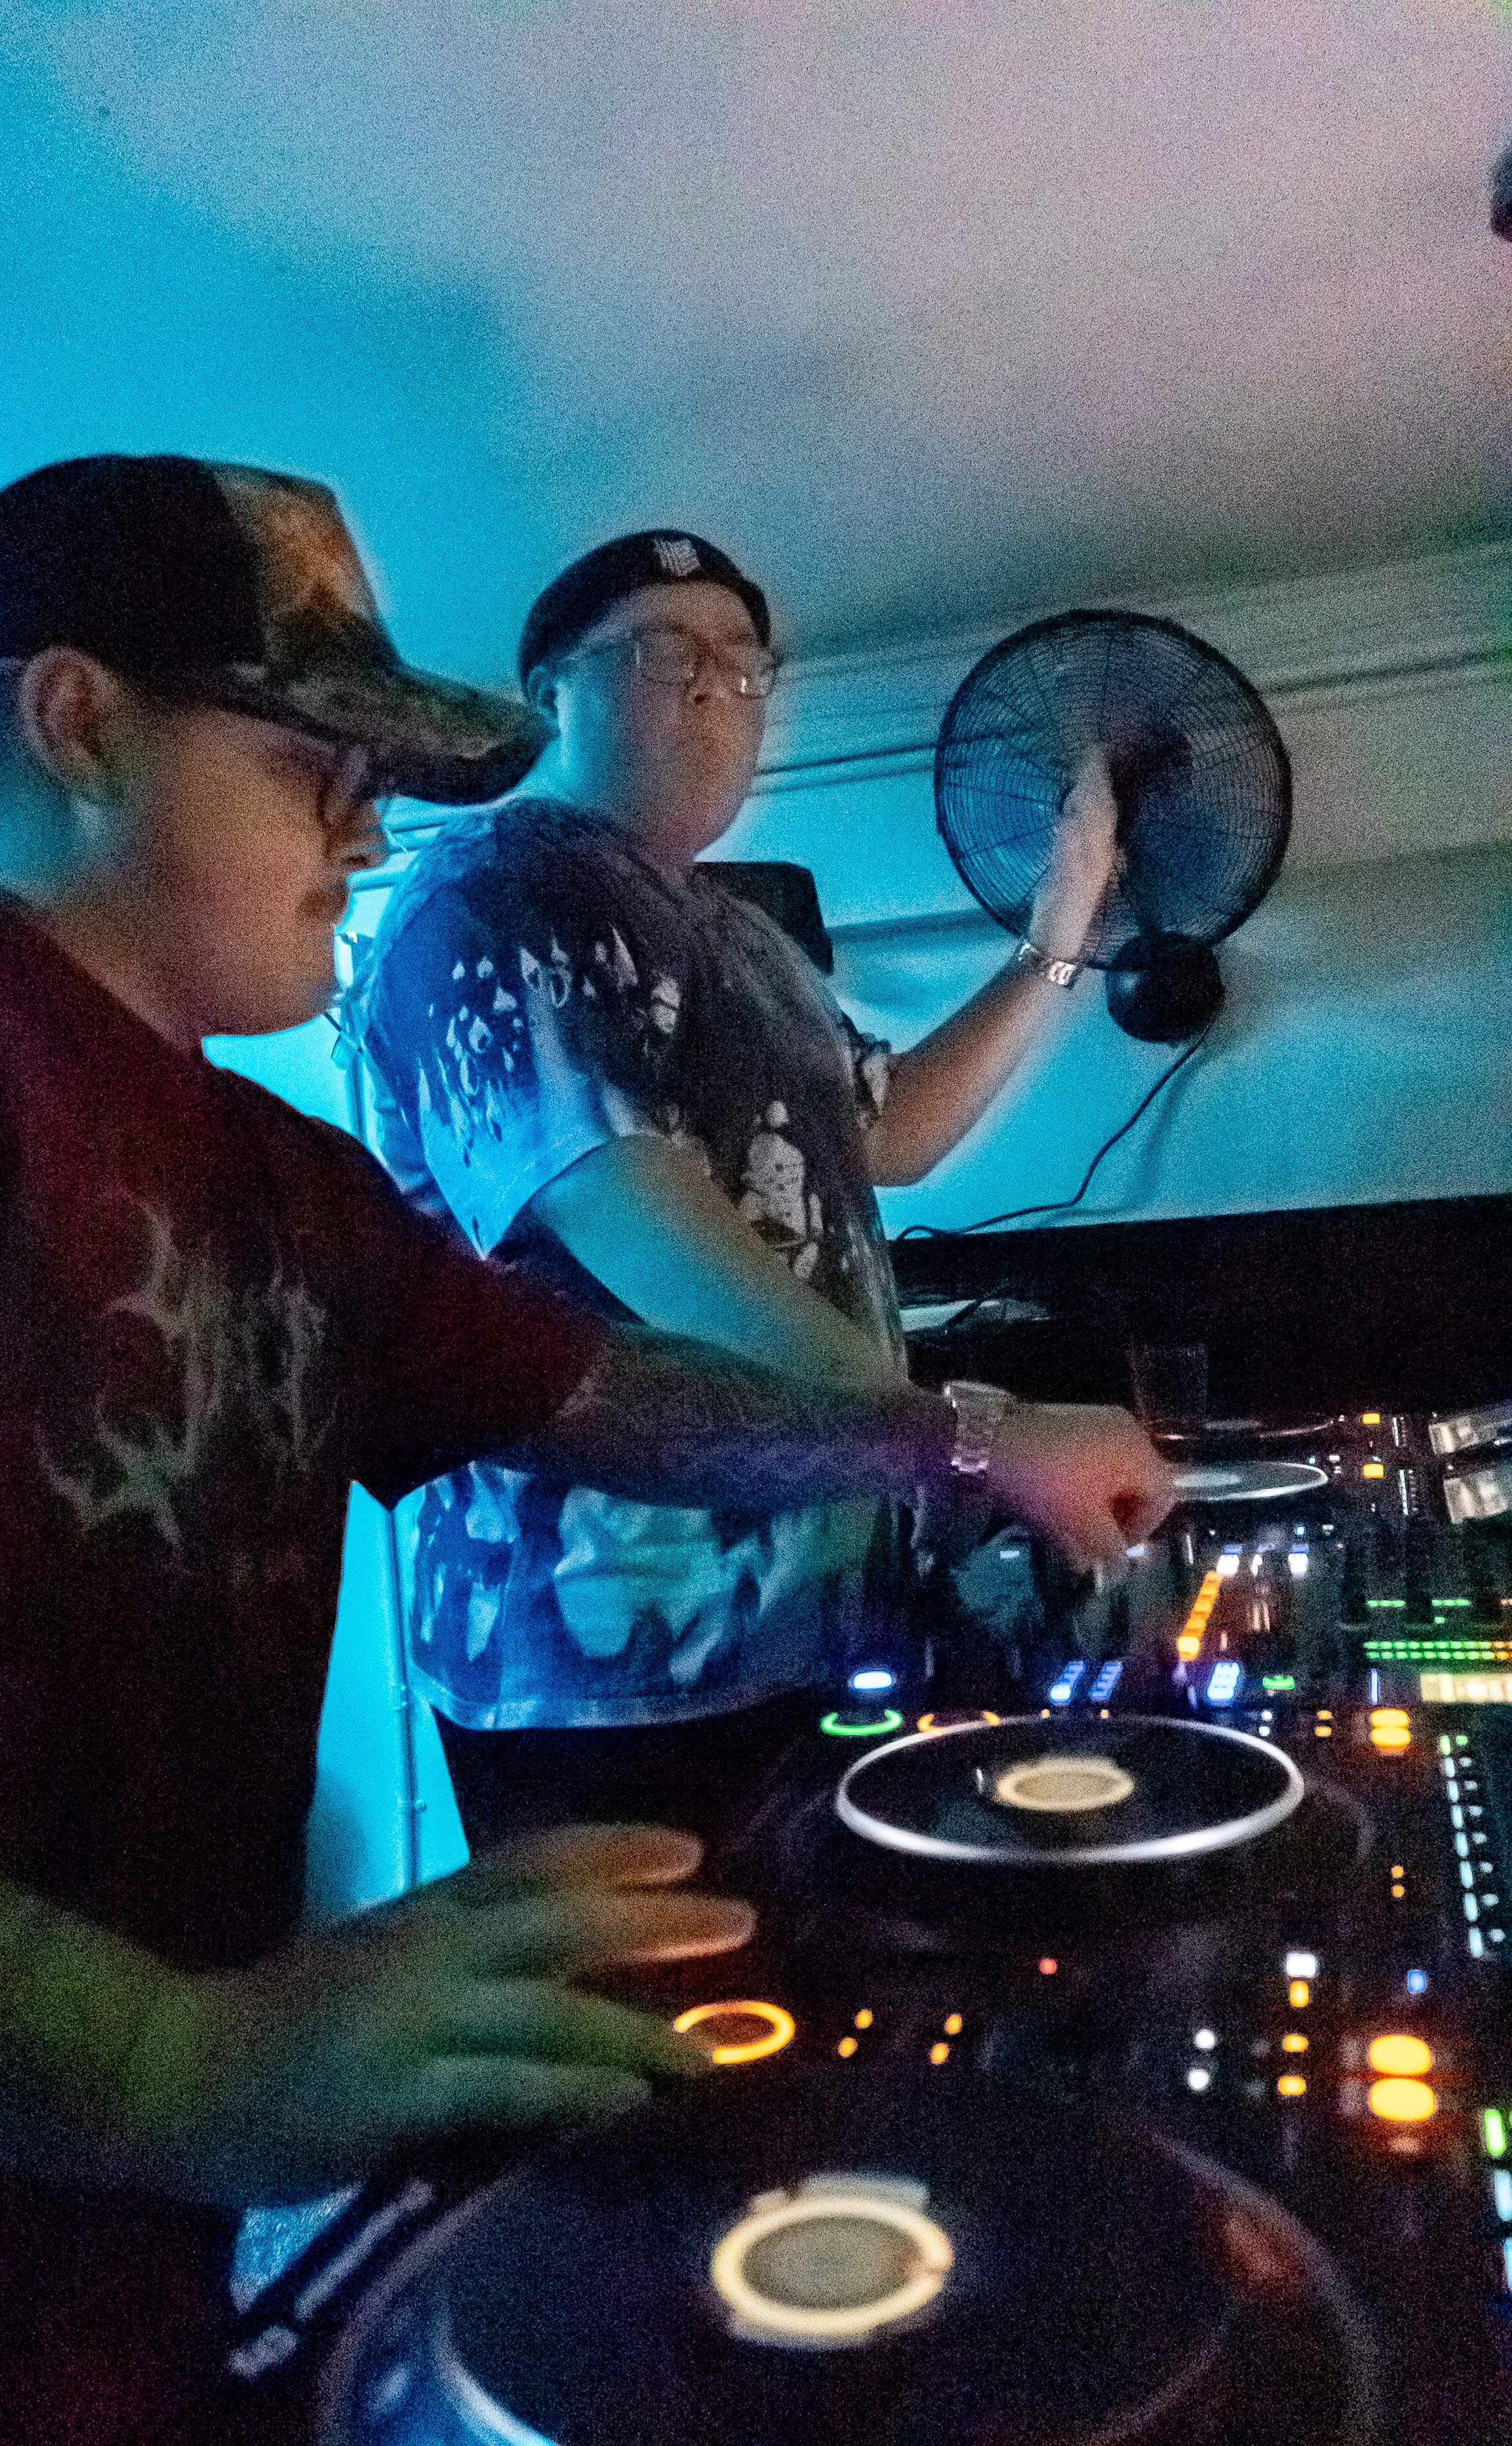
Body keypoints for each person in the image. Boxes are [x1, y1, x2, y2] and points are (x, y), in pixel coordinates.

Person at [0, 459, 1169, 2443]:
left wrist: (950, 1446)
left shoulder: (275, 1173)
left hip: (111, 2251)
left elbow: (598, 1389)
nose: (370, 820)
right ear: (76, 723)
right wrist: (157, 2053)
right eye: (315, 758)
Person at [355, 530, 1155, 1852]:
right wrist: (967, 1440)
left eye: (741, 659)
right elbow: (627, 1214)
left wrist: (1054, 942)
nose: (715, 683)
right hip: (608, 1661)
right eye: (663, 649)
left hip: (815, 1627)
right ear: (555, 684)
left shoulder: (750, 941)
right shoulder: (499, 888)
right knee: (657, 2040)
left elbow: (889, 1136)